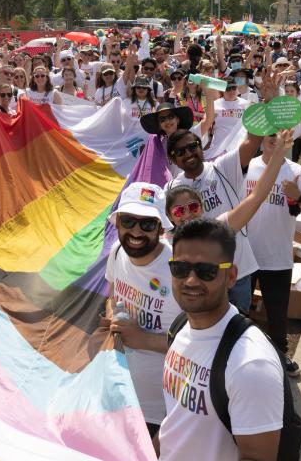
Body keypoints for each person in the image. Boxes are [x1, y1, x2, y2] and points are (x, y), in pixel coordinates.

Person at [157, 219, 283, 461]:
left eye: (207, 271)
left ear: (231, 276)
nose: (191, 280)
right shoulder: (181, 327)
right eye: (180, 268)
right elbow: (176, 421)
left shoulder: (251, 365)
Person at [244, 132, 301, 376]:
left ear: (288, 141)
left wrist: (298, 196)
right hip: (244, 256)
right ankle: (241, 360)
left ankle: (280, 355)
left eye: (279, 135)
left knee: (277, 317)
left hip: (277, 259)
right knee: (240, 312)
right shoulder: (247, 166)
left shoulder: (297, 173)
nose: (273, 138)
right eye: (268, 134)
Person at [103, 182, 179, 439]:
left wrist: (143, 339)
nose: (136, 231)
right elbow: (112, 298)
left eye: (146, 224)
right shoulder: (116, 253)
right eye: (128, 221)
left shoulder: (178, 270)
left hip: (164, 412)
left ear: (160, 228)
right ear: (118, 223)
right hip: (121, 397)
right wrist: (114, 318)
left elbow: (200, 344)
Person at [165, 127, 263, 311]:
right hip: (201, 279)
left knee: (237, 328)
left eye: (192, 147)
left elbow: (253, 141)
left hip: (237, 270)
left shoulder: (223, 167)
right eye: (180, 152)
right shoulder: (170, 189)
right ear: (173, 159)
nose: (188, 153)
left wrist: (266, 105)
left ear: (201, 147)